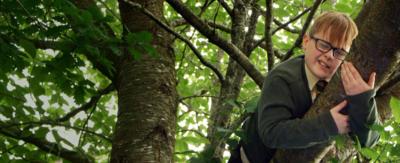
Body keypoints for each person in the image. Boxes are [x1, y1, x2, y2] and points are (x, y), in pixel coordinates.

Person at [228, 11, 380, 163]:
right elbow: (271, 133)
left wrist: (363, 100)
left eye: (339, 52)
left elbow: (370, 140)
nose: (330, 55)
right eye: (324, 45)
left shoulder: (342, 84)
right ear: (306, 42)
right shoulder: (283, 77)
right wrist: (329, 124)